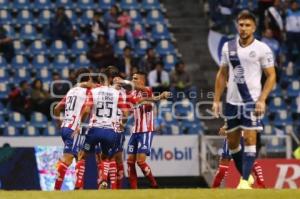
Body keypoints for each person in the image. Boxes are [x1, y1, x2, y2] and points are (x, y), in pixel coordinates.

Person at [212, 10, 276, 189]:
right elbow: (222, 74)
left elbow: (271, 76)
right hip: (232, 102)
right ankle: (247, 177)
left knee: (249, 139)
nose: (244, 28)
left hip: (252, 102)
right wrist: (216, 99)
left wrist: (262, 99)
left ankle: (243, 182)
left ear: (254, 27)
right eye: (241, 25)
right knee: (233, 144)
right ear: (237, 26)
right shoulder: (228, 47)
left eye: (248, 25)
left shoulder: (262, 49)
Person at [74, 68, 129, 190]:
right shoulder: (117, 93)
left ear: (101, 78)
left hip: (94, 130)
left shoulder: (93, 92)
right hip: (110, 131)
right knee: (106, 157)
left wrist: (79, 123)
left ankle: (78, 186)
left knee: (82, 155)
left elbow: (87, 111)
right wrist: (122, 123)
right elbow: (126, 112)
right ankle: (104, 180)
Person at [126, 71, 170, 189]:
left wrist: (159, 97)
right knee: (130, 161)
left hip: (146, 130)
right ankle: (133, 190)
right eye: (132, 78)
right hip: (135, 131)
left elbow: (149, 101)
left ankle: (154, 184)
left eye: (135, 78)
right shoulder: (132, 93)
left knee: (140, 162)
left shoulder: (147, 90)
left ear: (142, 80)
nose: (133, 80)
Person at [53, 68, 92, 190]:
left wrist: (59, 123)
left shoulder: (71, 91)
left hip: (65, 127)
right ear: (88, 77)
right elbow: (86, 109)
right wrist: (80, 121)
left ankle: (79, 188)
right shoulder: (87, 91)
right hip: (74, 128)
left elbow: (57, 109)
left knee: (80, 155)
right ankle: (56, 189)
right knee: (68, 159)